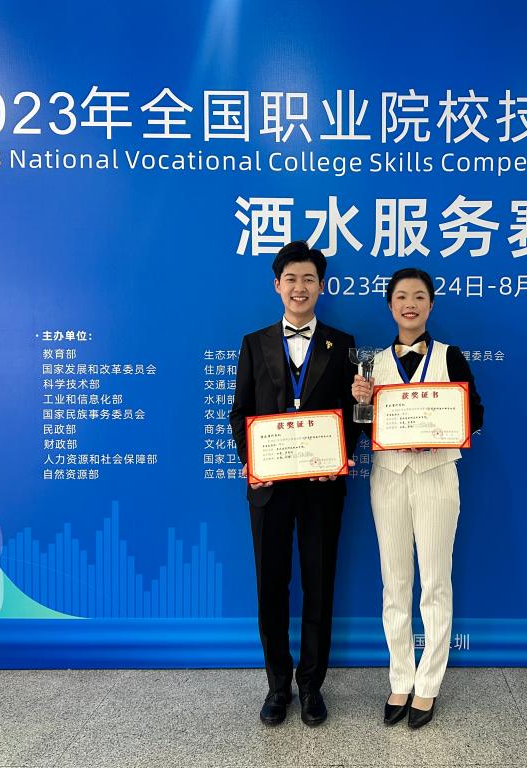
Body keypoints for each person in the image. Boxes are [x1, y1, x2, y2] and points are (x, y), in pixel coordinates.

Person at [229, 241, 358, 727]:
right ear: (277, 285)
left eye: (309, 279)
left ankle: (311, 686)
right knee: (272, 586)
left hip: (322, 486)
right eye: (291, 279)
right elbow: (240, 414)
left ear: (321, 286)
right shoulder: (254, 342)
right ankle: (277, 686)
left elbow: (353, 415)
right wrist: (256, 462)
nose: (299, 288)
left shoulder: (342, 343)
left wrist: (339, 456)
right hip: (270, 489)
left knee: (319, 584)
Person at [351, 267, 484, 729]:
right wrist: (361, 402)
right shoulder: (371, 364)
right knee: (394, 582)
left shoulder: (450, 356)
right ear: (390, 305)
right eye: (402, 296)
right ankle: (400, 678)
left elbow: (476, 414)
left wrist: (438, 429)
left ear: (431, 305)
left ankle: (428, 685)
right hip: (388, 478)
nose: (410, 304)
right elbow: (363, 429)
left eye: (419, 296)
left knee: (435, 583)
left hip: (436, 477)